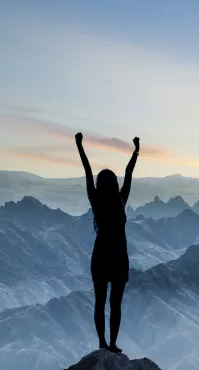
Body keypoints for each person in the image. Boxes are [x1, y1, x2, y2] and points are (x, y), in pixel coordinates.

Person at [75, 132, 139, 353]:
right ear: (114, 184)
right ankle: (111, 343)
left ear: (99, 184)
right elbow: (129, 173)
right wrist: (136, 152)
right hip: (119, 257)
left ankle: (103, 343)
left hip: (101, 256)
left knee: (101, 303)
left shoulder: (96, 200)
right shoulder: (121, 200)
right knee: (114, 304)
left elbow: (87, 169)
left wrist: (80, 146)